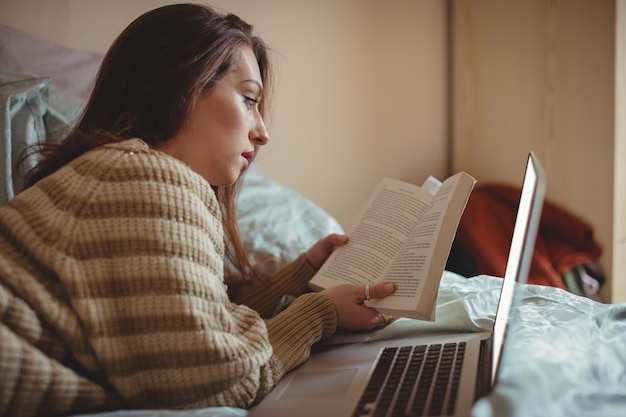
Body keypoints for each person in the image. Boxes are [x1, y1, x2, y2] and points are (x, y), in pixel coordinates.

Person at [0, 3, 396, 416]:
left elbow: (192, 323)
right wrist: (320, 313)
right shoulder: (142, 178)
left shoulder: (117, 173)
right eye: (248, 99)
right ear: (181, 87)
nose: (262, 132)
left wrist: (303, 273)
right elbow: (213, 382)